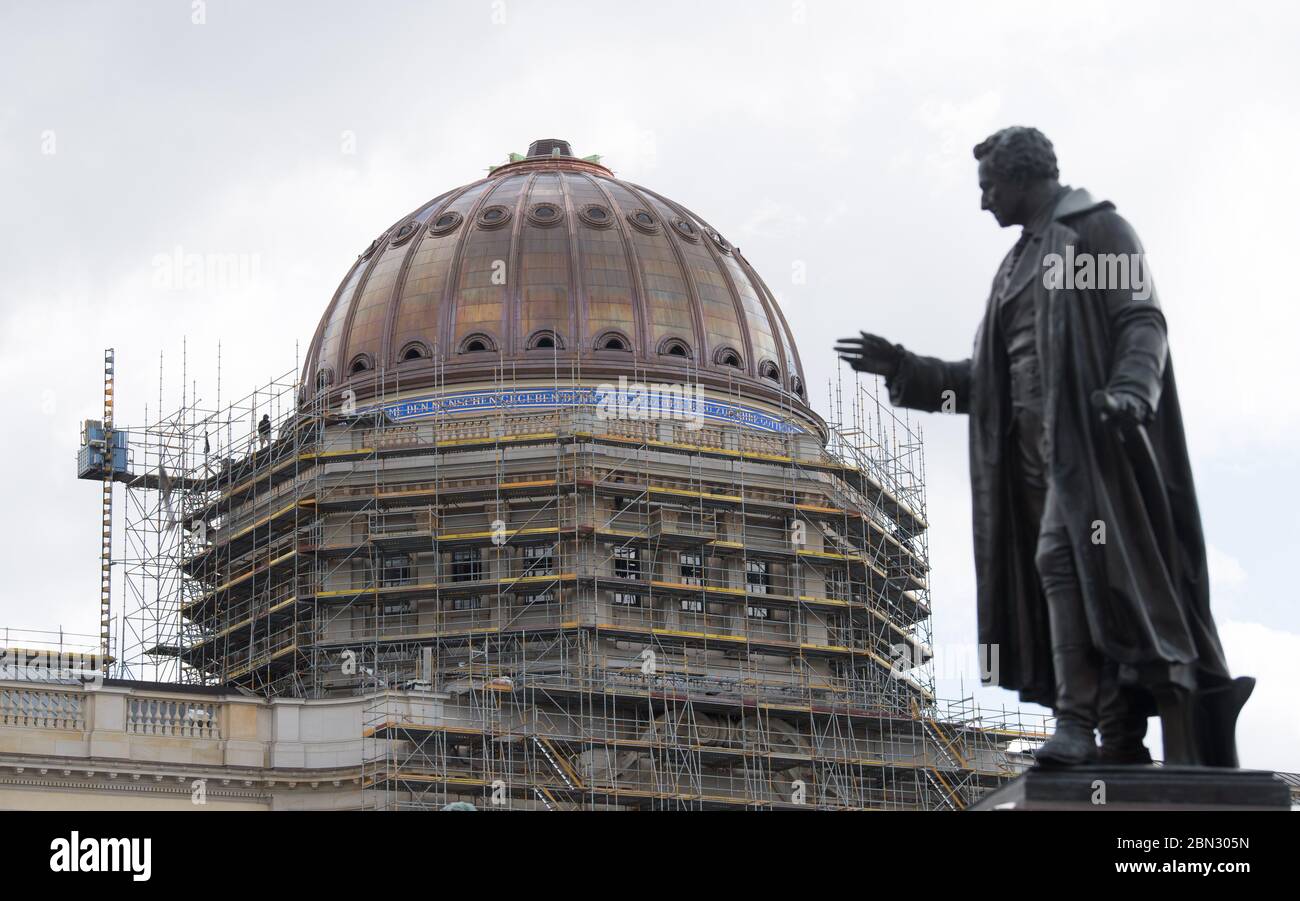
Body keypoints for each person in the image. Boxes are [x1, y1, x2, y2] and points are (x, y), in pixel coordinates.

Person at [836, 127, 1252, 767]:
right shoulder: (1014, 267)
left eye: (989, 187)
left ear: (1023, 177)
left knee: (1072, 564)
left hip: (1093, 450)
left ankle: (1077, 726)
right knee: (1084, 586)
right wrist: (906, 367)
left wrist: (1131, 392)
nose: (983, 203)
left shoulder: (1094, 233)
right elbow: (983, 381)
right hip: (1027, 465)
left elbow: (1141, 319)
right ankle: (1118, 739)